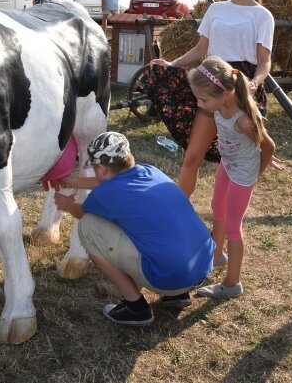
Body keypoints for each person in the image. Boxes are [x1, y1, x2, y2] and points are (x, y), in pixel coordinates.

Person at [54, 131, 215, 326]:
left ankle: (136, 308)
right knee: (161, 227)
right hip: (200, 269)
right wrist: (73, 181)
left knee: (88, 226)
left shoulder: (106, 193)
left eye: (95, 168)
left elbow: (80, 212)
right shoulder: (150, 171)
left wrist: (66, 204)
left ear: (103, 168)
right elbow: (107, 181)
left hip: (167, 278)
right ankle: (178, 295)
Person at [146, 0, 274, 198]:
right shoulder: (216, 9)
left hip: (238, 87)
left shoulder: (262, 16)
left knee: (233, 160)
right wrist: (171, 64)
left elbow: (264, 60)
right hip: (209, 80)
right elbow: (200, 50)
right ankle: (179, 210)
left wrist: (255, 83)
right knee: (192, 156)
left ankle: (225, 220)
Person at [187, 56, 275, 299]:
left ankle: (232, 283)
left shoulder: (243, 120)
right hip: (228, 164)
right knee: (217, 208)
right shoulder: (218, 106)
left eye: (203, 99)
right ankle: (217, 255)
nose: (199, 104)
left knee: (234, 226)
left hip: (242, 175)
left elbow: (268, 146)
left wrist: (256, 174)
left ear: (225, 93)